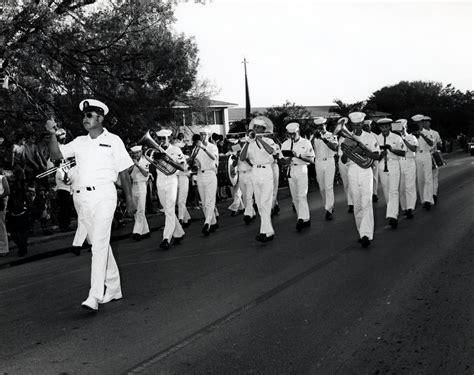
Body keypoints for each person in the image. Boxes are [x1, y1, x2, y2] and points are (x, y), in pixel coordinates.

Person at [45, 99, 136, 312]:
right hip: (84, 198)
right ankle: (114, 287)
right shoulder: (79, 142)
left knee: (98, 245)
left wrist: (130, 199)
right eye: (84, 115)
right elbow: (56, 155)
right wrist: (51, 133)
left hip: (105, 194)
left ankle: (95, 295)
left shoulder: (114, 140)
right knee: (99, 242)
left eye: (89, 115)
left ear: (100, 118)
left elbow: (124, 172)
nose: (85, 119)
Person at [342, 112, 380, 248]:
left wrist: (361, 151)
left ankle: (366, 234)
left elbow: (376, 156)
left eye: (359, 124)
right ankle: (361, 232)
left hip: (365, 171)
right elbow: (343, 160)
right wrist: (346, 152)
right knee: (357, 205)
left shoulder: (370, 137)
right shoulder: (346, 138)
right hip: (352, 171)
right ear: (351, 125)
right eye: (354, 125)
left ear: (362, 124)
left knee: (366, 202)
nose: (357, 127)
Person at [240, 118, 277, 242]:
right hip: (255, 171)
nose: (254, 129)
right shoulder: (249, 142)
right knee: (260, 204)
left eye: (257, 128)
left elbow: (271, 151)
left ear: (263, 130)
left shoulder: (269, 140)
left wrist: (258, 139)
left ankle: (264, 232)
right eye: (254, 127)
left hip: (266, 170)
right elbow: (242, 157)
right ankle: (268, 231)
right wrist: (247, 141)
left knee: (265, 202)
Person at [153, 129, 186, 250]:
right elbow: (152, 168)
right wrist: (155, 159)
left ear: (169, 138)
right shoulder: (156, 150)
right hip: (160, 181)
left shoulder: (176, 150)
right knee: (167, 210)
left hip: (171, 180)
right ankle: (179, 233)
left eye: (164, 139)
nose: (162, 141)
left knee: (170, 210)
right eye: (160, 139)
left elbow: (182, 167)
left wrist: (169, 161)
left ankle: (166, 238)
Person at [281, 122, 314, 230]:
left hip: (301, 169)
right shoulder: (285, 143)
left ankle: (302, 218)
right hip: (291, 169)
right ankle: (304, 219)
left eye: (293, 134)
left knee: (302, 195)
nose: (291, 136)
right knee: (295, 197)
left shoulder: (306, 142)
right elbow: (281, 160)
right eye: (289, 134)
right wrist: (285, 161)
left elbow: (311, 160)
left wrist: (298, 155)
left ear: (298, 131)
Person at [376, 118, 405, 229]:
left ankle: (393, 216)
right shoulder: (376, 138)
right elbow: (374, 157)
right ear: (380, 128)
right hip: (382, 164)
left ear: (389, 127)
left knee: (393, 190)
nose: (384, 129)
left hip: (394, 164)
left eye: (386, 126)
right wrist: (381, 155)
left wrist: (392, 150)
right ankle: (392, 210)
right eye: (382, 127)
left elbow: (403, 153)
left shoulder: (397, 137)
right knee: (386, 190)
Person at [194, 127, 220, 236]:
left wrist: (203, 148)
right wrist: (195, 163)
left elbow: (213, 157)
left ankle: (207, 223)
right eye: (201, 134)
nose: (203, 136)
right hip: (200, 174)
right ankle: (213, 222)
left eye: (204, 134)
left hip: (210, 174)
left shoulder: (212, 146)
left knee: (210, 201)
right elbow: (193, 159)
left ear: (208, 135)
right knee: (204, 203)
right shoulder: (196, 148)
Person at [312, 117, 338, 220]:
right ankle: (327, 205)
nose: (320, 128)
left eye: (321, 126)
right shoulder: (313, 137)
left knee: (328, 187)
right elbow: (308, 148)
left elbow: (334, 147)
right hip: (318, 162)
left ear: (325, 125)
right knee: (322, 188)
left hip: (329, 161)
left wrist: (323, 138)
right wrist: (314, 137)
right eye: (318, 126)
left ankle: (329, 209)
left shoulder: (331, 135)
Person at [393, 119, 418, 219]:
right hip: (399, 162)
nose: (401, 130)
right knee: (401, 188)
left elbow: (414, 149)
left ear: (406, 127)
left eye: (403, 128)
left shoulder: (411, 137)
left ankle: (410, 208)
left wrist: (404, 139)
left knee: (410, 186)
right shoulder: (395, 138)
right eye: (399, 128)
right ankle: (404, 208)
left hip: (410, 161)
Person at [412, 114, 435, 210]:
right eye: (417, 123)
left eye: (421, 122)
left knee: (428, 178)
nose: (419, 124)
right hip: (417, 155)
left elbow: (431, 143)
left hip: (426, 154)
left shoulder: (428, 132)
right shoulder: (413, 133)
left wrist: (422, 135)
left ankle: (428, 200)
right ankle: (423, 199)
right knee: (420, 179)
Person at [129, 145, 150, 241]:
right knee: (136, 210)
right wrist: (132, 165)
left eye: (138, 152)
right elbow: (127, 173)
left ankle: (136, 232)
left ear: (141, 152)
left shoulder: (145, 161)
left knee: (141, 210)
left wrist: (138, 165)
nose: (137, 154)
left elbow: (146, 174)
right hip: (133, 185)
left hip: (142, 185)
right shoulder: (130, 162)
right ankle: (146, 231)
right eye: (135, 153)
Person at [336, 118, 353, 213]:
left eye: (342, 127)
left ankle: (354, 202)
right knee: (346, 183)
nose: (341, 130)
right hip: (341, 159)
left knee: (352, 182)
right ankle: (350, 203)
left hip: (350, 160)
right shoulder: (339, 138)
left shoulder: (350, 135)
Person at [424, 116, 442, 204]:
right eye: (423, 122)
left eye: (427, 122)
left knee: (434, 176)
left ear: (429, 123)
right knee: (427, 178)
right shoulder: (419, 133)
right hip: (425, 156)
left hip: (434, 155)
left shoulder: (435, 133)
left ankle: (434, 193)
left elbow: (440, 143)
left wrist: (438, 145)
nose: (425, 123)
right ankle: (428, 196)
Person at [363, 120, 380, 203]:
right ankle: (368, 193)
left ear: (370, 127)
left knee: (375, 176)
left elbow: (378, 148)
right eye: (365, 126)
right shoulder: (363, 136)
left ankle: (375, 193)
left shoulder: (375, 136)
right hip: (365, 158)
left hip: (374, 157)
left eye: (367, 126)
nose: (366, 127)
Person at [0, 169, 10, 256]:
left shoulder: (2, 178)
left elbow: (7, 191)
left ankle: (4, 249)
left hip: (1, 203)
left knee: (1, 226)